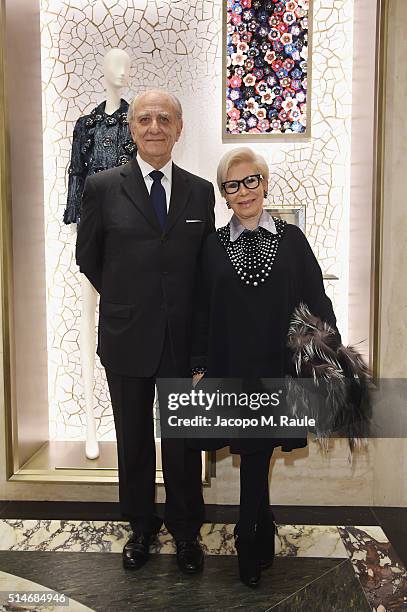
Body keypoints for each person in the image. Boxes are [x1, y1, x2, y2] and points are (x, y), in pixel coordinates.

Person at [76, 89, 215, 574]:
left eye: (164, 119)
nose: (154, 127)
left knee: (183, 444)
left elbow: (204, 268)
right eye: (144, 119)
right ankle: (140, 527)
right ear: (132, 129)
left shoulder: (200, 191)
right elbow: (87, 258)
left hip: (183, 343)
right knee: (132, 440)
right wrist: (125, 299)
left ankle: (186, 532)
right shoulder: (100, 186)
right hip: (126, 337)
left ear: (180, 128)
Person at [191, 147, 340, 587]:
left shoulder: (293, 239)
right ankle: (254, 528)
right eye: (232, 185)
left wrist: (328, 354)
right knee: (255, 448)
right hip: (232, 365)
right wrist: (199, 364)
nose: (243, 191)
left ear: (265, 182)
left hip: (280, 366)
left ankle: (251, 527)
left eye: (250, 180)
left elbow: (316, 299)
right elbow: (200, 310)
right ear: (224, 195)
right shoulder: (213, 245)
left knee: (258, 448)